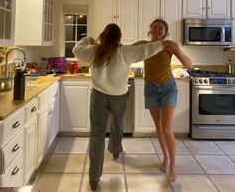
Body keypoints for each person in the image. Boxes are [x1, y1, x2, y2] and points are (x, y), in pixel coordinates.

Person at [72, 23, 176, 191]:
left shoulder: (94, 50)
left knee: (97, 135)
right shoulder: (125, 52)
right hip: (119, 97)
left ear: (103, 36)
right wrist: (165, 43)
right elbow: (147, 50)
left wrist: (88, 39)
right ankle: (115, 150)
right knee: (118, 123)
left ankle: (93, 180)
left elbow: (76, 50)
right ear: (119, 38)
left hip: (98, 96)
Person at [134, 19, 192, 182]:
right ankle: (165, 156)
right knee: (158, 127)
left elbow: (189, 65)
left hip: (168, 88)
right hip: (150, 89)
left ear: (165, 33)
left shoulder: (169, 45)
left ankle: (173, 165)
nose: (157, 29)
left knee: (166, 128)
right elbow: (125, 51)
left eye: (161, 28)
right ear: (150, 30)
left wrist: (176, 50)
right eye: (154, 27)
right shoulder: (144, 45)